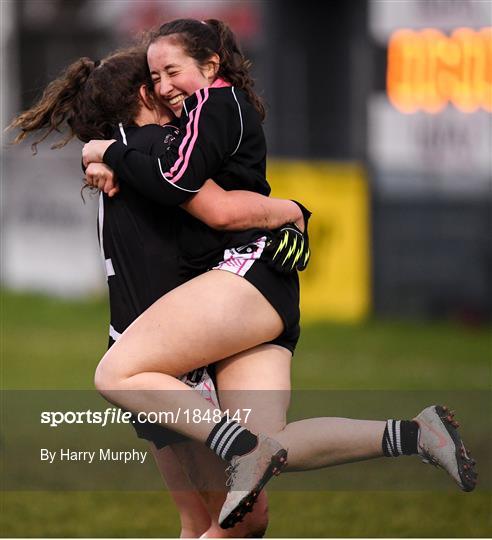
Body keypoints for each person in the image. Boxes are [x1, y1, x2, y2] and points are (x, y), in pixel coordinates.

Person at [81, 18, 477, 530]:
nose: (164, 86)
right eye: (156, 78)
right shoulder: (178, 129)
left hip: (248, 281)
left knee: (116, 373)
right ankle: (418, 435)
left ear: (209, 65)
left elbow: (214, 208)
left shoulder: (191, 122)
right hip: (262, 295)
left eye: (171, 71)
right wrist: (105, 153)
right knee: (272, 451)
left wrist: (107, 151)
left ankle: (240, 445)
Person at [8, 44, 310, 537]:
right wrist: (292, 211)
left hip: (136, 345)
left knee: (198, 520)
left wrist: (103, 154)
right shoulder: (155, 147)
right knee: (241, 522)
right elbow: (223, 211)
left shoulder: (124, 151)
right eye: (161, 80)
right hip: (170, 369)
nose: (177, 96)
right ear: (146, 93)